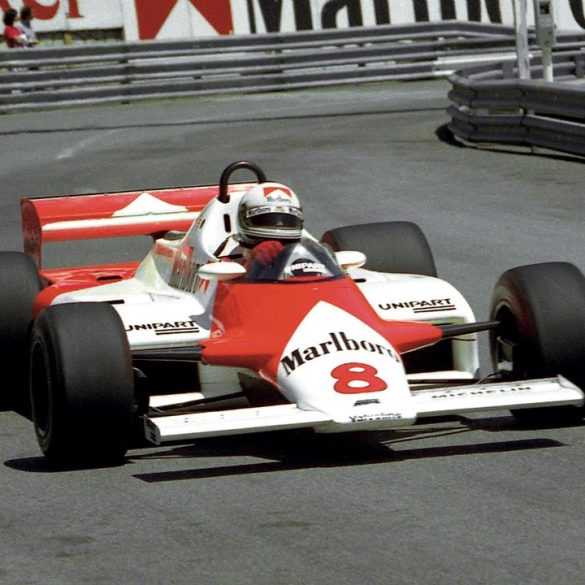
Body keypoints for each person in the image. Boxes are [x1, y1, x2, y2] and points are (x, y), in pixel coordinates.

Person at [215, 182, 304, 268]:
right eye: (267, 219)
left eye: (287, 220)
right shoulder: (229, 265)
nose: (278, 227)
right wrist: (252, 264)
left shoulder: (304, 253)